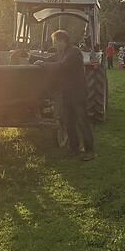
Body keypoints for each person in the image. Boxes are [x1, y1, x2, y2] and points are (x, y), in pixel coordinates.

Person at [35, 30, 94, 160]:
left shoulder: (74, 52)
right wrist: (32, 58)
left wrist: (42, 64)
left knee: (82, 120)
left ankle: (89, 150)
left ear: (63, 41)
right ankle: (74, 148)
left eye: (56, 42)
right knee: (69, 121)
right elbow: (48, 59)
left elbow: (62, 66)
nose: (54, 45)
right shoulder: (61, 53)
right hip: (66, 92)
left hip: (78, 92)